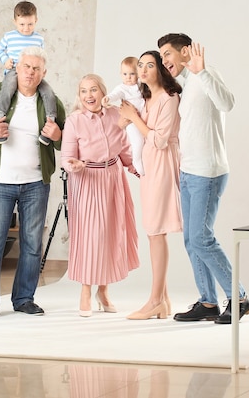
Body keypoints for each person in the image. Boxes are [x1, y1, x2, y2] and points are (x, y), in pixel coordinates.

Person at [157, 33, 249, 324]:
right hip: (189, 172)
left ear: (185, 51)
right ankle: (208, 302)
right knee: (191, 239)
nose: (165, 61)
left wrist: (202, 71)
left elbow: (228, 104)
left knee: (201, 238)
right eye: (161, 57)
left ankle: (239, 298)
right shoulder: (188, 84)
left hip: (207, 173)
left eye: (168, 55)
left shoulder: (206, 74)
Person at [0, 46, 65, 320]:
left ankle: (24, 299)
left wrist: (58, 134)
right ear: (17, 68)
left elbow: (67, 142)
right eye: (26, 67)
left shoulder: (51, 102)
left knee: (32, 244)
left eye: (36, 68)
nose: (31, 72)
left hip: (36, 183)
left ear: (43, 73)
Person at [61, 74, 139, 317]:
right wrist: (73, 165)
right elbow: (66, 158)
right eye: (83, 91)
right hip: (87, 181)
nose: (89, 96)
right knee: (90, 237)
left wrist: (140, 171)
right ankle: (85, 290)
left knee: (112, 235)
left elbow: (125, 149)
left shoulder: (116, 114)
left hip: (114, 180)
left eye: (93, 90)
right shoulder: (74, 121)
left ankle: (103, 291)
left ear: (102, 92)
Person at [119, 51, 182, 320]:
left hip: (162, 165)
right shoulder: (146, 98)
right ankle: (163, 300)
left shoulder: (169, 99)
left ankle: (156, 299)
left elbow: (158, 140)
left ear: (160, 70)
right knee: (153, 231)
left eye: (150, 65)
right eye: (141, 65)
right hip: (150, 167)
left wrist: (134, 118)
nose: (143, 70)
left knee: (156, 231)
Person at [0, 0, 58, 146]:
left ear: (36, 21)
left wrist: (39, 70)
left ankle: (50, 122)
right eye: (22, 24)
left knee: (48, 92)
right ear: (15, 21)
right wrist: (5, 60)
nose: (26, 28)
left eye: (30, 24)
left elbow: (41, 57)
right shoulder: (10, 36)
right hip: (14, 70)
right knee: (8, 87)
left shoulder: (39, 38)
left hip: (34, 73)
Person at [102, 56, 146, 176]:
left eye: (132, 74)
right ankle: (138, 166)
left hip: (143, 119)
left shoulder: (141, 86)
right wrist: (108, 98)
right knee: (137, 143)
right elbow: (115, 94)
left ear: (138, 74)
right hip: (131, 122)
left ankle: (145, 165)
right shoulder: (122, 88)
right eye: (125, 74)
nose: (128, 77)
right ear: (121, 74)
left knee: (146, 143)